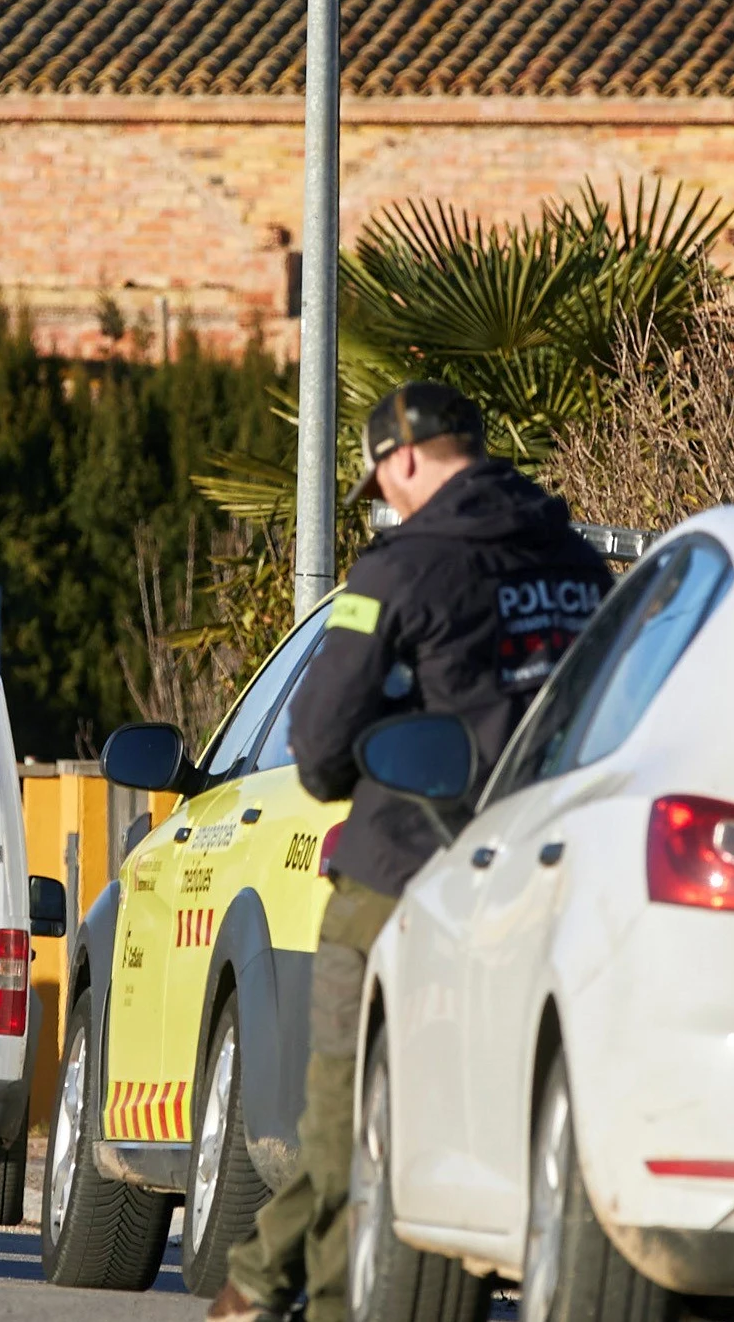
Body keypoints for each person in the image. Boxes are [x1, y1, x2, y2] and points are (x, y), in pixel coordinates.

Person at [213, 382, 614, 1322]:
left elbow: (316, 750)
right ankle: (266, 1285)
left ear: (402, 460)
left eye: (382, 486)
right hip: (549, 880)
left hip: (401, 872)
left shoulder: (397, 573)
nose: (385, 503)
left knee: (352, 1119)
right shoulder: (580, 566)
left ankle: (285, 1292)